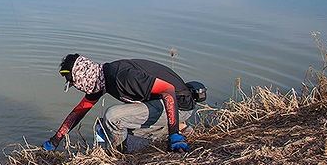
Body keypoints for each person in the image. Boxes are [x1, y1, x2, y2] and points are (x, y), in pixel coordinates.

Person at [42, 54, 206, 153]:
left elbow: (168, 90)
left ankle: (119, 158)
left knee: (113, 117)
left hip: (178, 105)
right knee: (105, 128)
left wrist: (174, 134)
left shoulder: (121, 76)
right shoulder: (101, 79)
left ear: (82, 76)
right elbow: (79, 111)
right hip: (164, 106)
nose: (77, 87)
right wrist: (55, 140)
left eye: (75, 83)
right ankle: (184, 129)